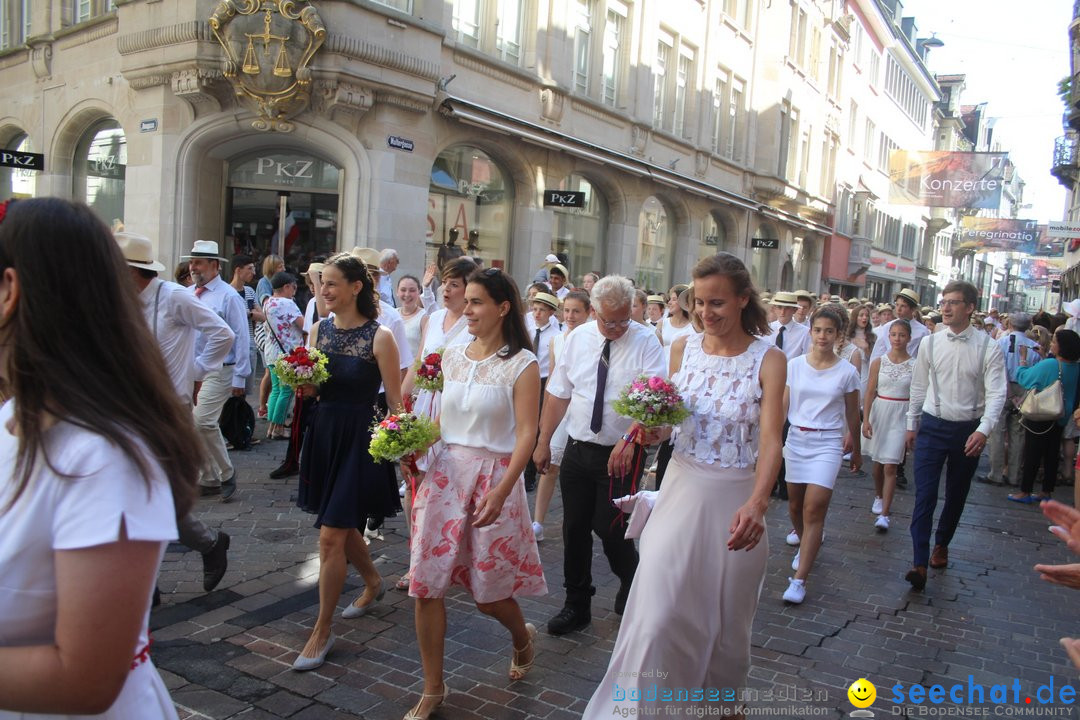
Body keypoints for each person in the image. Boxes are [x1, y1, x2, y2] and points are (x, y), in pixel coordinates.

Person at [0, 197, 202, 718]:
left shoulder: (104, 458)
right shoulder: (12, 420)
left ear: (9, 292)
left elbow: (86, 677)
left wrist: (208, 374)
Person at [581, 254, 784, 719]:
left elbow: (772, 441)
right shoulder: (681, 348)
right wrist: (651, 432)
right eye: (698, 302)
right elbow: (671, 422)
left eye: (717, 303)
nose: (705, 313)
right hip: (680, 490)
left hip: (735, 499)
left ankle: (721, 706)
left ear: (742, 300)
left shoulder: (769, 360)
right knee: (657, 614)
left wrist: (758, 503)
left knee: (726, 627)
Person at [405, 268, 546, 720]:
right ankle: (432, 687)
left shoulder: (523, 363)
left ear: (502, 308)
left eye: (476, 302)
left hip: (494, 477)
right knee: (426, 585)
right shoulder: (452, 354)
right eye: (465, 301)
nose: (466, 310)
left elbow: (527, 434)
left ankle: (521, 636)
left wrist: (505, 490)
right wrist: (413, 444)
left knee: (488, 594)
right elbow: (444, 420)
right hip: (445, 474)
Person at [533, 275, 665, 635]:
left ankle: (632, 580)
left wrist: (629, 437)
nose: (619, 327)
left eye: (625, 319)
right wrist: (544, 441)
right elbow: (558, 393)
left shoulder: (645, 342)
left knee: (610, 526)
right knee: (574, 528)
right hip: (578, 448)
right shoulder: (577, 339)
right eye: (610, 320)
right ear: (594, 311)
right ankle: (577, 604)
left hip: (622, 453)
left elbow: (654, 400)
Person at [292, 253, 403, 671]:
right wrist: (302, 385)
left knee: (331, 536)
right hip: (324, 436)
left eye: (332, 283)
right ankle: (373, 581)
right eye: (322, 283)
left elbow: (394, 402)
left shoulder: (381, 337)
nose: (324, 290)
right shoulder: (318, 329)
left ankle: (322, 629)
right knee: (336, 524)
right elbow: (315, 388)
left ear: (357, 287)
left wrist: (403, 449)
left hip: (361, 441)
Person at [119, 232, 234, 597]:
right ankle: (204, 548)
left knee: (152, 496)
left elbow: (223, 334)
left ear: (132, 271)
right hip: (130, 409)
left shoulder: (174, 297)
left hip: (168, 411)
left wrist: (195, 371)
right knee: (138, 495)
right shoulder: (121, 302)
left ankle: (153, 579)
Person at [904, 281, 1007, 591]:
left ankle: (942, 543)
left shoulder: (989, 346)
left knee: (957, 493)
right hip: (933, 426)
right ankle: (918, 562)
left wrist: (983, 430)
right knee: (925, 494)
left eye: (954, 302)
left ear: (970, 308)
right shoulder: (930, 343)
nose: (945, 308)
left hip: (968, 430)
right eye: (944, 301)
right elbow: (919, 385)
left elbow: (997, 393)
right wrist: (912, 422)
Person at [398, 257, 477, 590]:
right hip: (424, 407)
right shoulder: (432, 319)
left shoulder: (475, 324)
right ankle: (416, 558)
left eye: (455, 284)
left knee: (450, 490)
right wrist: (402, 406)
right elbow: (417, 363)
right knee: (412, 486)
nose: (447, 289)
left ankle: (452, 558)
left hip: (456, 412)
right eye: (445, 282)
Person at [781, 306, 862, 604]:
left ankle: (799, 579)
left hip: (827, 443)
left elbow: (853, 414)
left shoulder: (847, 372)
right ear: (811, 331)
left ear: (839, 334)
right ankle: (806, 543)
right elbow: (783, 407)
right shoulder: (795, 365)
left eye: (829, 331)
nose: (823, 336)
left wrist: (856, 449)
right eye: (818, 330)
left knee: (815, 508)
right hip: (797, 440)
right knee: (795, 505)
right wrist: (768, 444)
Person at [185, 240, 251, 502]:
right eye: (192, 262)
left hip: (221, 368)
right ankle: (209, 477)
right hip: (193, 368)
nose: (193, 267)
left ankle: (225, 473)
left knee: (203, 420)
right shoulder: (189, 293)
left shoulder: (228, 296)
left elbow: (241, 336)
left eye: (198, 263)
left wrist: (240, 376)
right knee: (194, 423)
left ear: (214, 266)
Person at [532, 290, 590, 541]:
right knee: (550, 466)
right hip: (560, 411)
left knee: (579, 469)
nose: (570, 316)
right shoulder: (557, 339)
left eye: (576, 311)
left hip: (583, 410)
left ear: (588, 313)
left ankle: (576, 521)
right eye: (567, 310)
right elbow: (553, 384)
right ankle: (538, 521)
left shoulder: (592, 339)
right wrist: (546, 417)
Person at [1009, 329, 1080, 503]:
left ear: (1062, 347)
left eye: (1055, 342)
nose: (1052, 344)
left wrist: (1023, 359)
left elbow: (1024, 377)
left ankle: (1025, 491)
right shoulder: (1075, 366)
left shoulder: (1051, 364)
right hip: (1062, 414)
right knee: (1052, 453)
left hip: (1042, 414)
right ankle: (1046, 492)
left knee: (1033, 451)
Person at [862, 320, 915, 531]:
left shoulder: (915, 364)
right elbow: (869, 392)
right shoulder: (879, 362)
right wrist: (865, 419)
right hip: (880, 411)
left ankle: (885, 513)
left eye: (902, 335)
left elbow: (918, 394)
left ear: (909, 338)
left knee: (891, 464)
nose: (897, 339)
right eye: (893, 335)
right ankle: (878, 494)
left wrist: (914, 424)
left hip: (902, 413)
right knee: (877, 464)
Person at [985, 312, 1040, 487]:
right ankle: (1014, 475)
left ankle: (996, 473)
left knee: (998, 431)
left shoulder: (1000, 343)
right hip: (1025, 389)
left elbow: (998, 370)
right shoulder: (1034, 347)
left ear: (1010, 325)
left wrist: (1008, 393)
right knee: (1018, 432)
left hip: (1003, 387)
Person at [523, 292, 561, 492]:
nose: (537, 313)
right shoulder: (527, 328)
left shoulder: (557, 333)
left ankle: (529, 474)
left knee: (535, 426)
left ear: (551, 312)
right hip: (525, 378)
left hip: (544, 379)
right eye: (535, 309)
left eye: (542, 310)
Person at [263, 272, 305, 440]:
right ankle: (279, 427)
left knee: (275, 390)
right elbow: (304, 325)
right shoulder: (288, 303)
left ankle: (271, 426)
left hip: (271, 352)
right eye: (293, 287)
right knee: (286, 391)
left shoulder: (268, 302)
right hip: (287, 354)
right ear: (286, 286)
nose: (294, 291)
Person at [229, 254, 264, 398]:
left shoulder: (249, 291)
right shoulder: (227, 292)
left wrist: (247, 313)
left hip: (250, 344)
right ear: (238, 270)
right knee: (231, 390)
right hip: (231, 347)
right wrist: (251, 312)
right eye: (250, 269)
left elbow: (262, 316)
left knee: (245, 391)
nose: (253, 272)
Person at [869, 289, 930, 364]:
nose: (898, 309)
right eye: (897, 305)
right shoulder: (887, 327)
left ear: (913, 309)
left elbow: (924, 357)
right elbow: (878, 351)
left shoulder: (922, 331)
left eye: (903, 306)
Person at [656, 284, 695, 371]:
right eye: (670, 299)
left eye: (674, 299)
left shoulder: (692, 327)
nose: (669, 303)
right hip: (661, 369)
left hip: (680, 370)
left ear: (683, 302)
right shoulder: (662, 324)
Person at [765, 292, 810, 360]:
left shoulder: (805, 332)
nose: (783, 312)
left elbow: (806, 358)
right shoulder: (766, 329)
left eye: (787, 308)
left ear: (794, 310)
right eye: (779, 307)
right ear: (774, 309)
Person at [397, 274, 427, 359]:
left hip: (413, 369)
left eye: (412, 290)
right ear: (397, 292)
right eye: (403, 290)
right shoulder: (393, 314)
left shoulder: (424, 317)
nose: (407, 294)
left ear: (419, 292)